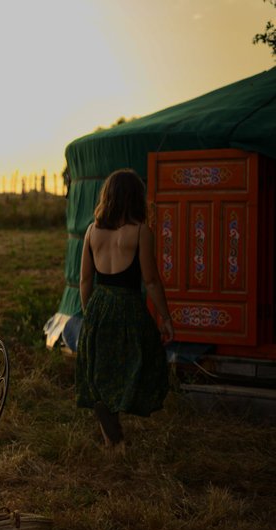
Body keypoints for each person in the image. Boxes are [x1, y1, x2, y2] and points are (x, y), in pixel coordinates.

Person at [75, 168, 174, 450]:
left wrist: (89, 313)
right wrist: (165, 318)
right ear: (135, 198)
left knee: (101, 367)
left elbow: (84, 280)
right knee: (139, 360)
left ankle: (110, 432)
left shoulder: (92, 231)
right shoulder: (141, 231)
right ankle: (114, 437)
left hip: (99, 304)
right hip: (128, 306)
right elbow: (151, 280)